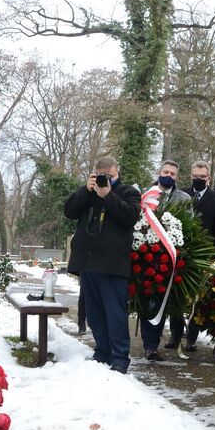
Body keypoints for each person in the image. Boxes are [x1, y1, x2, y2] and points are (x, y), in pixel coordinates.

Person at [65, 158, 142, 374]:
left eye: (109, 175)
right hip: (88, 263)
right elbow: (69, 211)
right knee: (94, 313)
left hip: (113, 264)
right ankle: (102, 351)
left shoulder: (129, 193)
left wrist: (108, 195)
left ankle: (119, 357)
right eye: (100, 175)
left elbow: (129, 217)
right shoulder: (89, 193)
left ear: (117, 172)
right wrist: (86, 191)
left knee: (115, 313)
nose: (104, 179)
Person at [168, 160, 215, 351]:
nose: (198, 180)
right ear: (190, 176)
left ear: (208, 178)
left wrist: (213, 254)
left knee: (198, 298)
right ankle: (175, 336)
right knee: (177, 294)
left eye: (202, 177)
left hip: (204, 252)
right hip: (183, 250)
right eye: (195, 177)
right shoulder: (182, 195)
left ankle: (191, 337)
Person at [141, 160, 191, 361]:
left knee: (164, 300)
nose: (169, 176)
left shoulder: (183, 198)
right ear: (158, 172)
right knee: (148, 301)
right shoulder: (147, 194)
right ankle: (150, 346)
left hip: (171, 257)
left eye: (173, 174)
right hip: (147, 255)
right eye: (166, 172)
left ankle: (161, 339)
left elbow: (189, 225)